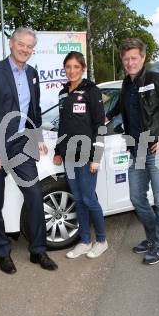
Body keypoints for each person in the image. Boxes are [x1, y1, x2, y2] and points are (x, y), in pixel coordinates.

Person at [0, 27, 58, 273]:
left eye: (29, 46)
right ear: (12, 44)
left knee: (34, 195)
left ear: (33, 50)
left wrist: (36, 137)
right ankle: (2, 252)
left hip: (22, 144)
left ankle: (38, 250)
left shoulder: (33, 73)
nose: (24, 49)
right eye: (21, 44)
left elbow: (33, 110)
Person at [106, 38, 159, 265]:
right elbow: (121, 105)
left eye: (134, 58)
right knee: (137, 198)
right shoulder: (127, 83)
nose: (130, 62)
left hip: (156, 149)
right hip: (136, 150)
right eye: (126, 59)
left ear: (143, 58)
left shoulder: (156, 80)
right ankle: (152, 239)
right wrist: (109, 116)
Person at [53, 51, 108, 259]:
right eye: (68, 67)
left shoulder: (91, 91)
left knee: (88, 198)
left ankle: (102, 240)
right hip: (68, 155)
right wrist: (59, 150)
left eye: (76, 67)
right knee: (78, 198)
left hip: (87, 154)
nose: (72, 71)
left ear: (82, 68)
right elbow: (62, 126)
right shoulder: (62, 93)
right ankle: (85, 241)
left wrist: (96, 157)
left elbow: (99, 126)